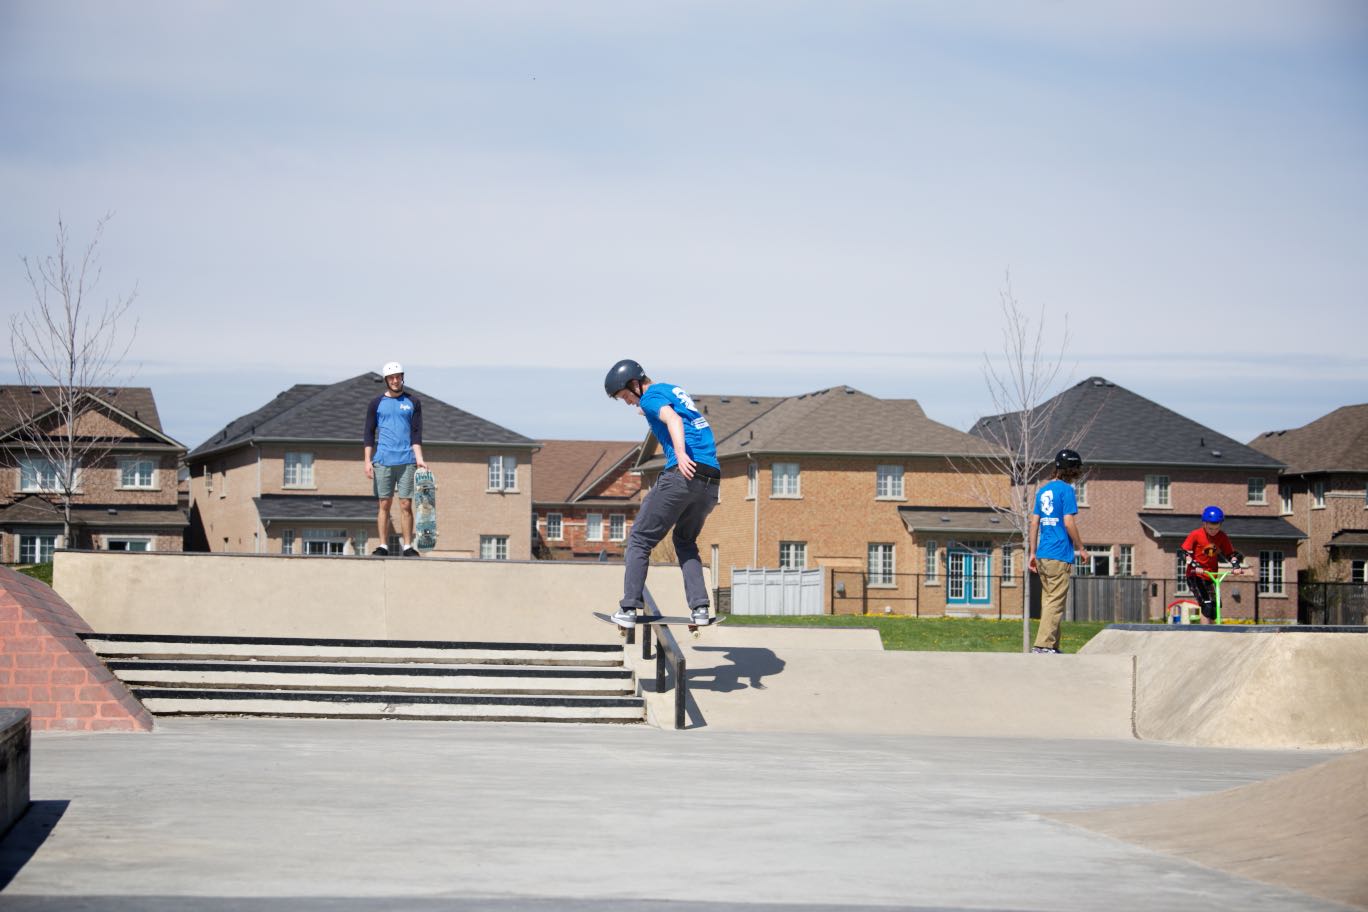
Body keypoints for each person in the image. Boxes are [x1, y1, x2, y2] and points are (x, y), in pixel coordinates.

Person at [604, 359, 720, 626]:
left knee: (639, 540)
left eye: (625, 396)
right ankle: (700, 609)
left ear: (635, 384)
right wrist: (648, 411)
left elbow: (672, 418)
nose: (627, 402)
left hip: (682, 476)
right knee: (685, 541)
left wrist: (680, 454)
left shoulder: (650, 398)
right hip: (710, 481)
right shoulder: (669, 390)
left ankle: (629, 608)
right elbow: (676, 412)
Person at [362, 361, 426, 557]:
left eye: (398, 377)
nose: (395, 380)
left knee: (406, 504)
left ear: (402, 377)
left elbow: (416, 434)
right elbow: (368, 433)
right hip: (383, 460)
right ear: (386, 380)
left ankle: (407, 546)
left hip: (406, 460)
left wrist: (420, 459)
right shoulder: (376, 403)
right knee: (384, 504)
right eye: (391, 378)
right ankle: (383, 546)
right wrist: (367, 461)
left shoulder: (413, 402)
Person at [1028, 448, 1086, 654]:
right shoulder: (1067, 490)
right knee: (1055, 602)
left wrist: (1032, 553)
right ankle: (1043, 645)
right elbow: (1068, 522)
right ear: (1072, 470)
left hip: (1043, 554)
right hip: (1059, 553)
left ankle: (1052, 645)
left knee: (1049, 600)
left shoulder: (1042, 491)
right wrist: (1081, 547)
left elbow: (1034, 523)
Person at [1180, 506, 1244, 624]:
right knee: (1207, 606)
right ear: (1204, 524)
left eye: (1216, 528)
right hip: (1195, 576)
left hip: (1211, 576)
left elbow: (1230, 554)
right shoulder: (1196, 534)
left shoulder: (1222, 536)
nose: (1213, 531)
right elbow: (1185, 553)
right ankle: (1204, 634)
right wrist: (1195, 566)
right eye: (1210, 529)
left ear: (1220, 525)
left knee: (1215, 609)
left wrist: (1236, 566)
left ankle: (1214, 633)